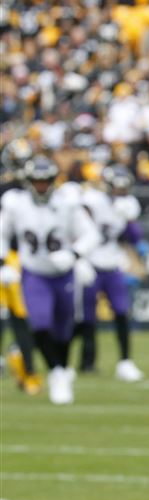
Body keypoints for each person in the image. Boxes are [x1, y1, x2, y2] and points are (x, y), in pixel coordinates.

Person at [0, 156, 99, 404]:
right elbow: (1, 234)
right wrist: (2, 263)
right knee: (40, 324)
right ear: (28, 181)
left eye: (45, 180)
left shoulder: (67, 203)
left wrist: (75, 255)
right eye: (37, 180)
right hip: (34, 273)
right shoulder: (16, 204)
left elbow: (90, 234)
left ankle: (62, 368)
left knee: (63, 331)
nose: (41, 185)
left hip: (63, 273)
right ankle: (57, 372)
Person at [70, 165, 146, 382]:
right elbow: (76, 225)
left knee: (122, 312)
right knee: (86, 318)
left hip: (112, 265)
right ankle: (86, 362)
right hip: (90, 263)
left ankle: (125, 362)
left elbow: (133, 237)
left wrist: (129, 221)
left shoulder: (128, 204)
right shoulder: (92, 200)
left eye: (124, 188)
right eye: (117, 188)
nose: (120, 192)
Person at [0, 139, 42, 395]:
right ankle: (26, 370)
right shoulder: (11, 191)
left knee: (22, 317)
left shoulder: (28, 192)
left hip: (19, 256)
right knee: (17, 318)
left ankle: (26, 368)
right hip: (9, 256)